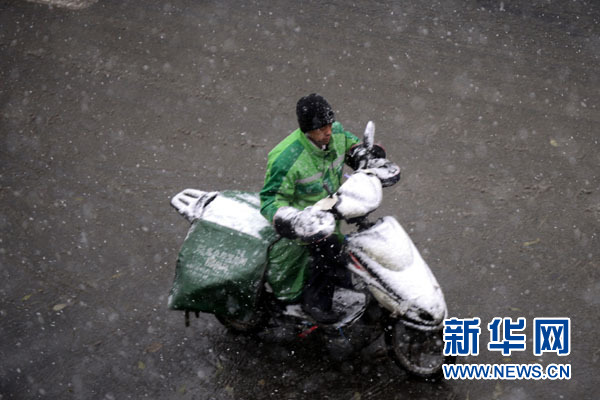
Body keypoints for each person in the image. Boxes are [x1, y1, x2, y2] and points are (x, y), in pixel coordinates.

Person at [259, 93, 387, 323]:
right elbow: (270, 200)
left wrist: (363, 154)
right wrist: (292, 219)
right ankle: (316, 305)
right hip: (304, 227)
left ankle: (345, 293)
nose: (328, 131)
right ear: (307, 130)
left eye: (329, 124)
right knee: (328, 253)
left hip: (331, 215)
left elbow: (350, 145)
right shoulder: (286, 159)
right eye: (321, 128)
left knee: (346, 253)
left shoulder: (334, 133)